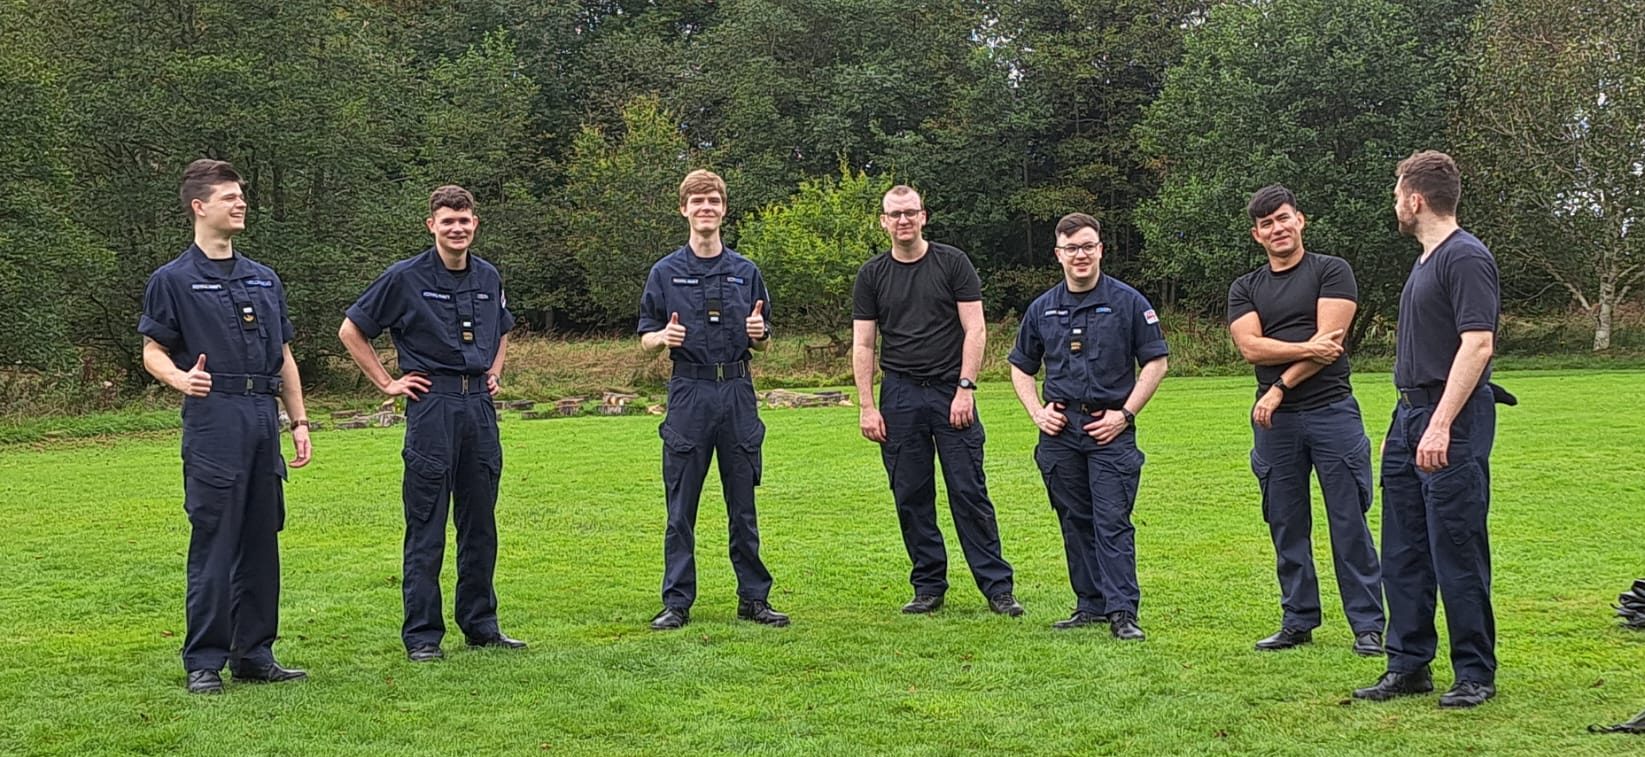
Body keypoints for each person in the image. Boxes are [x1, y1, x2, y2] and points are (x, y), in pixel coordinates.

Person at [139, 158, 314, 694]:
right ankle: (205, 662)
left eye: (241, 197)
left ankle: (255, 653)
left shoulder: (264, 277)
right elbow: (152, 349)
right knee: (215, 540)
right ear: (199, 206)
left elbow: (283, 355)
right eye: (229, 197)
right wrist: (177, 379)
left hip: (264, 416)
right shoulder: (172, 280)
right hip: (214, 418)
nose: (240, 204)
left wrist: (298, 420)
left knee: (263, 539)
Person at [339, 185, 526, 661]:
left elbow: (503, 328)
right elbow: (352, 329)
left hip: (479, 411)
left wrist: (496, 371)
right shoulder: (404, 277)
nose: (457, 228)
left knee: (480, 523)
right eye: (447, 221)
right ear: (432, 226)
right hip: (432, 406)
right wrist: (386, 382)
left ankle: (481, 625)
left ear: (475, 224)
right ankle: (423, 636)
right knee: (427, 523)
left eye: (464, 220)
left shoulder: (487, 276)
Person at [1353, 150, 1506, 708]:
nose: (1395, 204)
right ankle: (1408, 664)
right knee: (1405, 547)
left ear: (1415, 199)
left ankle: (1474, 673)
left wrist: (1440, 423)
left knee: (1456, 546)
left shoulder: (1464, 257)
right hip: (1409, 414)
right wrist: (1410, 425)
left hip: (1450, 418)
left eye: (1397, 193)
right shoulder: (1426, 260)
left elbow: (1478, 343)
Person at [1227, 185, 1385, 656]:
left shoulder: (1331, 270)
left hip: (1331, 412)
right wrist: (1305, 349)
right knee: (1285, 521)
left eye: (1283, 218)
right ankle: (1298, 620)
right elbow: (1250, 347)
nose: (1277, 229)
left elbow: (1331, 345)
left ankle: (1368, 625)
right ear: (1257, 235)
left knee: (1348, 521)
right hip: (1276, 425)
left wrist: (1279, 385)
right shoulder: (1246, 287)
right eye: (1267, 224)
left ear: (1301, 220)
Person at [852, 185, 1021, 617]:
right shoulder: (872, 276)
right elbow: (865, 344)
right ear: (883, 222)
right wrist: (868, 405)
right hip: (900, 394)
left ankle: (997, 589)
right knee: (911, 493)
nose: (903, 221)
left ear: (924, 217)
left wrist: (966, 387)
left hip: (951, 391)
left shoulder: (952, 263)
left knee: (969, 491)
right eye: (895, 214)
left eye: (911, 213)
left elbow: (975, 329)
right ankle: (928, 586)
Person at [636, 169, 788, 631]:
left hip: (738, 392)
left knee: (743, 504)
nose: (706, 209)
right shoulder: (665, 272)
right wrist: (663, 336)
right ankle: (677, 602)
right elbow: (644, 336)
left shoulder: (746, 273)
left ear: (724, 209)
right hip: (689, 391)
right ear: (684, 209)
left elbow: (763, 341)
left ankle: (754, 598)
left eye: (714, 202)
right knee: (681, 505)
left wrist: (760, 336)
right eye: (697, 202)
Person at [1007, 212, 1166, 640]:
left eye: (1088, 246)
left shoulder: (1128, 302)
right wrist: (1036, 412)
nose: (1081, 255)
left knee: (1112, 519)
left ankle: (1122, 612)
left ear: (1100, 249)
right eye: (1071, 248)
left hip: (1109, 426)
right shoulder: (1042, 308)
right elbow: (1020, 367)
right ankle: (1090, 604)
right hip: (1060, 432)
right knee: (1074, 518)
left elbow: (1156, 361)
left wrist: (1126, 414)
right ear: (1058, 254)